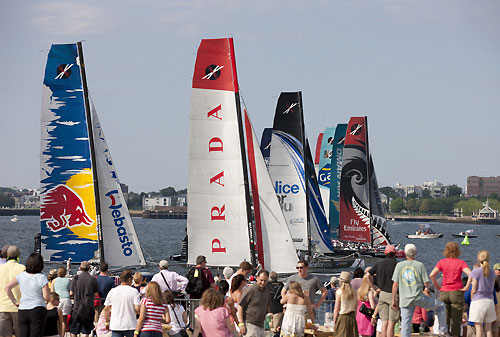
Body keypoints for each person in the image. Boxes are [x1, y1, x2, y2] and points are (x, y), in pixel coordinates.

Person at [391, 243, 449, 337]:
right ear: (415, 253)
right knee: (441, 306)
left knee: (405, 324)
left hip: (405, 299)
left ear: (405, 253)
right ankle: (443, 331)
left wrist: (393, 300)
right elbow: (426, 283)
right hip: (418, 297)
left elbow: (395, 285)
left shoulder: (399, 265)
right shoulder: (420, 265)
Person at [429, 241, 471, 337]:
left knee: (444, 320)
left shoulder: (442, 262)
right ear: (457, 251)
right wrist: (466, 287)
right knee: (456, 322)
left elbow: (432, 275)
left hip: (444, 292)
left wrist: (438, 286)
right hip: (456, 292)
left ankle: (444, 334)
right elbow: (470, 274)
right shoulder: (461, 263)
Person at [5, 253, 50, 337]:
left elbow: (7, 287)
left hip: (23, 309)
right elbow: (46, 297)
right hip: (37, 309)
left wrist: (14, 301)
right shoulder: (42, 277)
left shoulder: (21, 276)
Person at [365, 244, 399, 337]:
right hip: (393, 295)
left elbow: (368, 276)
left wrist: (374, 288)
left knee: (384, 321)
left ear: (385, 253)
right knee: (391, 322)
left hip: (382, 294)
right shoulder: (397, 265)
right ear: (395, 254)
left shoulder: (379, 264)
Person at [104, 270, 140, 337]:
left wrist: (107, 322)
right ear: (129, 279)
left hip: (116, 324)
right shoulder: (134, 291)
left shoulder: (112, 291)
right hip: (130, 324)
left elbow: (106, 308)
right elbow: (137, 308)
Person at [469, 250, 496, 337]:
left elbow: (473, 289)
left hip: (478, 301)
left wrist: (472, 298)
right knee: (488, 330)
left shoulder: (476, 272)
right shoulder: (492, 272)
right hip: (489, 301)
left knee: (479, 330)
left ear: (479, 259)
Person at [237, 270, 271, 337]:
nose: (263, 282)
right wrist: (241, 323)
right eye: (261, 280)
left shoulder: (267, 292)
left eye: (265, 281)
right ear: (257, 278)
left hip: (261, 325)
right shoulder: (251, 289)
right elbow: (240, 305)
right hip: (250, 324)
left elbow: (267, 307)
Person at [0, 245, 25, 337]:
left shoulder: (0, 268)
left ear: (7, 255)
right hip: (18, 306)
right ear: (18, 255)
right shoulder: (22, 268)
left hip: (2, 307)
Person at [69, 261, 98, 337]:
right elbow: (95, 294)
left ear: (80, 268)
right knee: (86, 331)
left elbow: (71, 293)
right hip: (88, 307)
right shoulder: (92, 279)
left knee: (74, 330)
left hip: (77, 308)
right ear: (89, 269)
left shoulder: (75, 278)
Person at [333, 271, 358, 337]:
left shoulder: (339, 292)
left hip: (343, 317)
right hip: (352, 317)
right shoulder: (354, 292)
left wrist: (334, 321)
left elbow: (336, 309)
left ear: (341, 281)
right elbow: (355, 307)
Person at [51, 267, 70, 337]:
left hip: (57, 300)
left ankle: (58, 334)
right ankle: (62, 335)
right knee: (64, 320)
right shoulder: (68, 280)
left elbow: (52, 292)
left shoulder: (54, 281)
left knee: (57, 320)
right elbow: (70, 292)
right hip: (66, 299)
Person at [267, 272, 284, 337]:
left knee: (267, 328)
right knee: (276, 329)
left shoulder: (266, 285)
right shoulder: (281, 285)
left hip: (267, 311)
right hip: (278, 310)